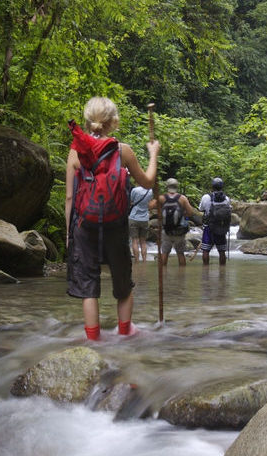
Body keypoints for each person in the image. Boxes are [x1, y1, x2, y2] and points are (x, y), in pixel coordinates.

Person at [65, 97, 159, 340]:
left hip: (84, 225)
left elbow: (69, 198)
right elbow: (147, 182)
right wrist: (153, 154)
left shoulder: (76, 152)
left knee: (88, 288)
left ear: (87, 122)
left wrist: (69, 235)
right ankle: (125, 334)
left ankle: (94, 341)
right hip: (115, 224)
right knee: (123, 283)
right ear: (114, 122)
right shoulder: (122, 151)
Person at [152, 178, 199, 266]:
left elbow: (151, 206)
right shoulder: (182, 198)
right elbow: (190, 212)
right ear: (176, 186)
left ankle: (164, 274)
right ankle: (182, 276)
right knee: (180, 253)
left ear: (167, 186)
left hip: (166, 230)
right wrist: (182, 215)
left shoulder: (162, 198)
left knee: (165, 253)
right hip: (179, 230)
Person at [199, 177, 232, 266]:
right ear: (222, 187)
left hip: (208, 227)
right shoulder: (227, 199)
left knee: (206, 250)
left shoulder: (206, 197)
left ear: (212, 186)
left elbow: (201, 209)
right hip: (221, 227)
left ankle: (205, 270)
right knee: (222, 251)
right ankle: (222, 272)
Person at [128, 185, 154, 261]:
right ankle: (144, 260)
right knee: (143, 241)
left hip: (134, 217)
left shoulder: (135, 190)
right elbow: (150, 202)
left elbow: (131, 201)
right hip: (145, 218)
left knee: (134, 240)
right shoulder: (150, 191)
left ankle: (136, 260)